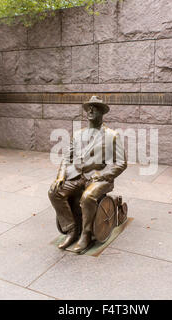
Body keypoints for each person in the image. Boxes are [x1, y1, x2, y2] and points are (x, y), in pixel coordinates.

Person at [48, 96, 127, 253]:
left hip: (99, 177)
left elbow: (121, 163)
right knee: (54, 192)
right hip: (75, 175)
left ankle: (86, 234)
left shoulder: (112, 135)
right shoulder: (77, 134)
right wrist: (61, 176)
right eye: (89, 108)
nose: (91, 110)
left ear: (102, 112)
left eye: (95, 107)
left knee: (87, 197)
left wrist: (104, 175)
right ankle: (71, 230)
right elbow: (67, 157)